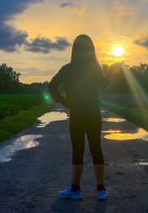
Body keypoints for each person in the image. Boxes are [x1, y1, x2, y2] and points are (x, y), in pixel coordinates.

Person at [48, 34, 113, 200]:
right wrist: (110, 71)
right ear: (91, 50)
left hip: (77, 114)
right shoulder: (95, 69)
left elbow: (52, 87)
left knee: (78, 150)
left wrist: (65, 102)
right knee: (96, 149)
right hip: (93, 114)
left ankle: (75, 189)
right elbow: (104, 85)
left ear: (74, 50)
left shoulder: (67, 69)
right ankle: (101, 190)